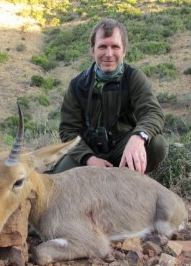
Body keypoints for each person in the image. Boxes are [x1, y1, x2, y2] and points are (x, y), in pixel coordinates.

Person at [52, 18, 168, 174]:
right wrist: (89, 159)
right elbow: (68, 130)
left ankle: (129, 181)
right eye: (102, 47)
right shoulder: (77, 85)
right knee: (59, 179)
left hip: (123, 147)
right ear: (93, 50)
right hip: (89, 149)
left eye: (115, 46)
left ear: (124, 51)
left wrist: (138, 137)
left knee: (156, 145)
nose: (108, 54)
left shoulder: (133, 77)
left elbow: (152, 112)